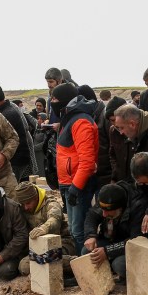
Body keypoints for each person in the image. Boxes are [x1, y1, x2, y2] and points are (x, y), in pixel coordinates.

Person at [51, 83, 99, 253]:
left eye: (55, 98)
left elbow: (87, 160)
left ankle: (85, 268)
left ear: (64, 100)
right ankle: (79, 263)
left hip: (78, 185)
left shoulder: (80, 121)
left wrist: (76, 187)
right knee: (73, 228)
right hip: (68, 182)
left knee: (79, 231)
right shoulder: (68, 118)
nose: (52, 102)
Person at [83, 183, 148, 282]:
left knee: (119, 265)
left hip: (130, 246)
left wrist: (107, 251)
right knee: (87, 251)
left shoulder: (138, 206)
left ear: (120, 208)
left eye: (108, 212)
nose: (104, 215)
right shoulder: (107, 196)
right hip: (111, 239)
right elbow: (92, 215)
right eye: (102, 210)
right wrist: (90, 235)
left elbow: (135, 240)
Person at [11, 181, 76, 276]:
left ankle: (74, 263)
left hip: (63, 242)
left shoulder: (50, 203)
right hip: (39, 246)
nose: (26, 207)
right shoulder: (22, 208)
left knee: (38, 261)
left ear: (36, 197)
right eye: (23, 204)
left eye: (28, 203)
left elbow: (55, 218)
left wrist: (44, 228)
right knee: (24, 266)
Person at [0, 83, 36, 182]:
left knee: (11, 190)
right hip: (15, 158)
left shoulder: (7, 115)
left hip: (15, 160)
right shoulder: (7, 110)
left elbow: (10, 140)